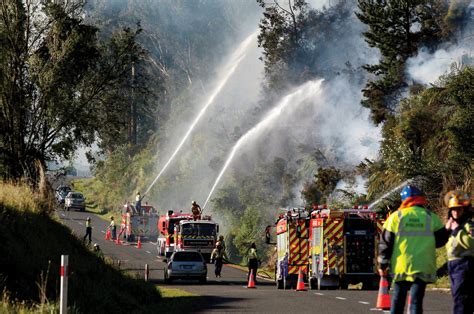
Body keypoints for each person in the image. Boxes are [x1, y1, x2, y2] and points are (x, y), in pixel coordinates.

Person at [378, 185, 449, 314]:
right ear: (421, 199)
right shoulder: (430, 217)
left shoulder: (395, 217)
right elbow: (442, 240)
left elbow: (385, 243)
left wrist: (382, 264)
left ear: (404, 200)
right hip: (423, 266)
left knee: (398, 301)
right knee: (416, 301)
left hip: (401, 267)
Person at [444, 190, 473, 314]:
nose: (456, 212)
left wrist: (457, 231)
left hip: (465, 265)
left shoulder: (468, 226)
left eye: (459, 209)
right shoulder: (452, 224)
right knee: (461, 299)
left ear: (464, 210)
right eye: (453, 209)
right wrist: (446, 230)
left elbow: (472, 243)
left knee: (461, 300)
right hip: (453, 265)